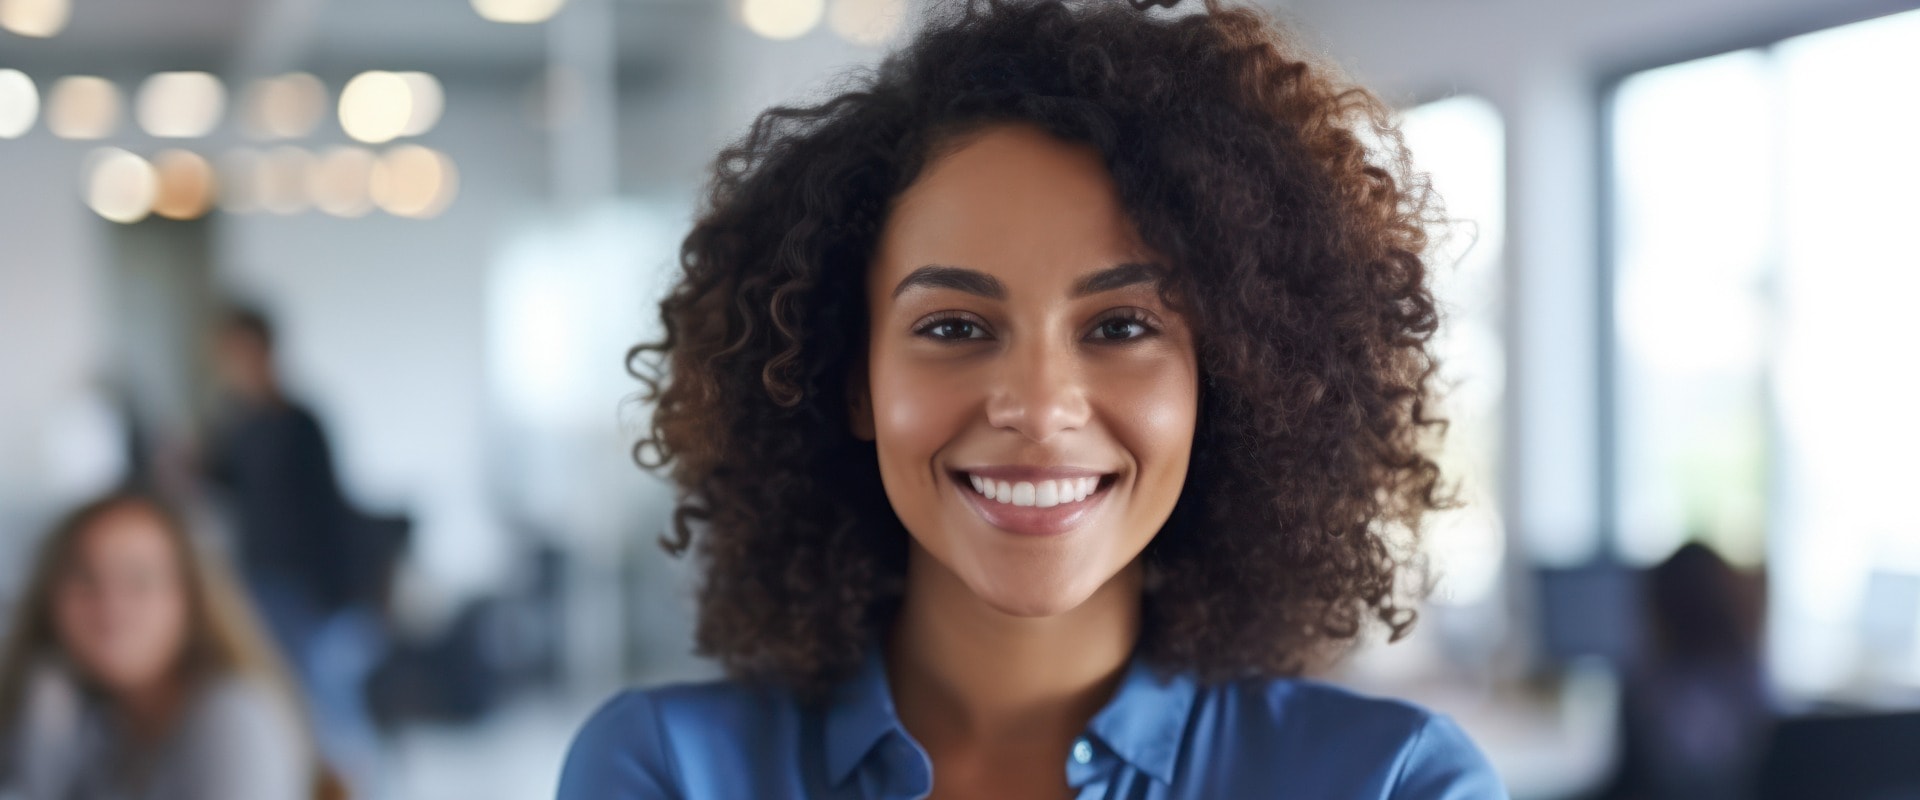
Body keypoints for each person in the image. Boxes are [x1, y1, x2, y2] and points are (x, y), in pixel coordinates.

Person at [559, 0, 1506, 797]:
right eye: (955, 328)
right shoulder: (667, 771)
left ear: (1225, 380)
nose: (1040, 406)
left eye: (1123, 327)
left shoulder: (1393, 782)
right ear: (851, 379)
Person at [0, 491, 332, 800]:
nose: (109, 604)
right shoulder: (95, 719)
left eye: (139, 581)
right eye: (85, 578)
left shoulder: (233, 718)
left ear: (191, 598)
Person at [202, 307, 393, 796]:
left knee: (329, 706)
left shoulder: (301, 423)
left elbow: (329, 511)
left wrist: (344, 594)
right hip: (258, 582)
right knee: (277, 703)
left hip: (306, 588)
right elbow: (223, 483)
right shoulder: (239, 424)